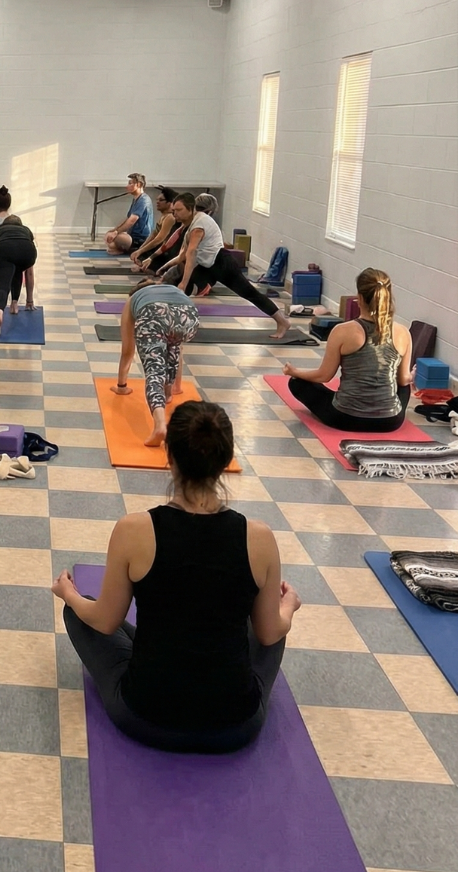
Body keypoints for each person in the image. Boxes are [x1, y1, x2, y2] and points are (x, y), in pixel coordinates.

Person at [53, 401, 301, 754]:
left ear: (170, 456)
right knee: (273, 620)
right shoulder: (259, 537)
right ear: (226, 458)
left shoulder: (134, 529)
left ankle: (158, 646)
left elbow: (105, 623)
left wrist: (68, 594)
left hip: (144, 716)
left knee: (81, 612)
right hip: (236, 725)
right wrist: (289, 606)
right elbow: (269, 632)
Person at [283, 268, 414, 431]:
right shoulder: (403, 332)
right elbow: (403, 380)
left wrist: (295, 372)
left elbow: (324, 376)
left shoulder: (342, 331)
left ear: (358, 298)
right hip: (390, 421)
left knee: (297, 383)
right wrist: (412, 376)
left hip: (345, 418)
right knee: (404, 385)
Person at [157, 193, 291, 338]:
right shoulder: (188, 225)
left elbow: (191, 254)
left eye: (179, 210)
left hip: (222, 263)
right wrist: (165, 269)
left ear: (190, 209)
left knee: (249, 293)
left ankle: (282, 321)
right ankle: (170, 325)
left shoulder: (198, 225)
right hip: (207, 266)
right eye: (174, 210)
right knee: (176, 287)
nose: (174, 213)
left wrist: (183, 282)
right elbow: (183, 256)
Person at [111, 278, 199, 445]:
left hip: (153, 313)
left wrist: (121, 386)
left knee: (154, 370)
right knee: (174, 344)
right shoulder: (171, 289)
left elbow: (128, 350)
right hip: (189, 315)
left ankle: (159, 426)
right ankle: (168, 392)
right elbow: (178, 350)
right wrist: (177, 386)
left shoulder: (133, 299)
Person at [0, 214, 37, 335]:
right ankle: (15, 304)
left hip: (5, 249)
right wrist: (29, 300)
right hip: (27, 252)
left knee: (3, 282)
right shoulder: (26, 230)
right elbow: (29, 273)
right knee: (19, 268)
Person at [130, 186, 178, 270]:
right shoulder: (164, 216)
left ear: (170, 203)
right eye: (157, 200)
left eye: (161, 200)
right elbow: (153, 234)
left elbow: (159, 239)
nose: (157, 202)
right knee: (138, 255)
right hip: (160, 248)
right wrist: (140, 250)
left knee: (143, 262)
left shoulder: (170, 217)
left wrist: (141, 252)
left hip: (167, 252)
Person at [104, 173, 154, 255]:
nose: (127, 186)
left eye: (130, 183)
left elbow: (131, 221)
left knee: (114, 241)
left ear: (139, 184)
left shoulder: (143, 200)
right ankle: (122, 248)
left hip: (141, 239)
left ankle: (129, 249)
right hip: (132, 236)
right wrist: (114, 230)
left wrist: (116, 233)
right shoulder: (136, 199)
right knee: (109, 236)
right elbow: (127, 218)